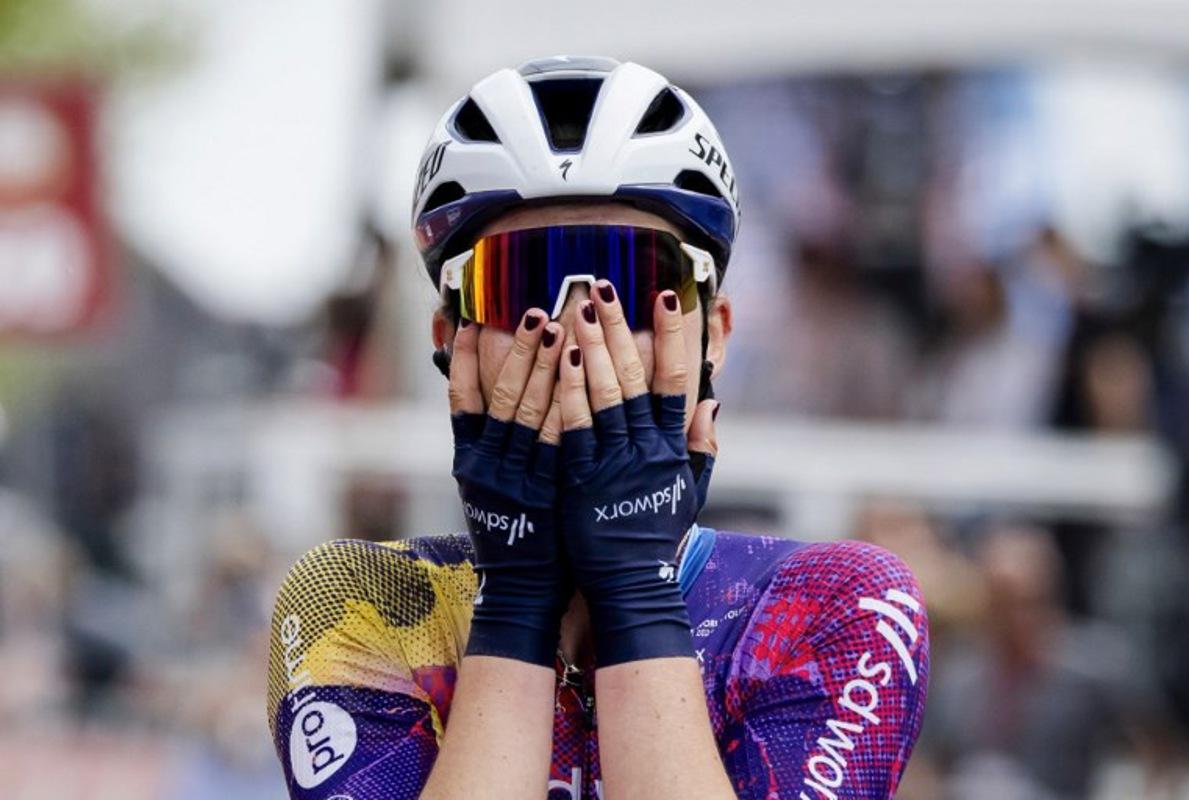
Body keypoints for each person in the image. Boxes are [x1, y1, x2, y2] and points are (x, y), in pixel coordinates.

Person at [267, 56, 928, 799]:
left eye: (636, 282)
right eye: (521, 282)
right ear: (450, 340)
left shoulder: (838, 606)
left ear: (714, 335)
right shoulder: (352, 604)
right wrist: (515, 597)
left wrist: (634, 589)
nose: (580, 333)